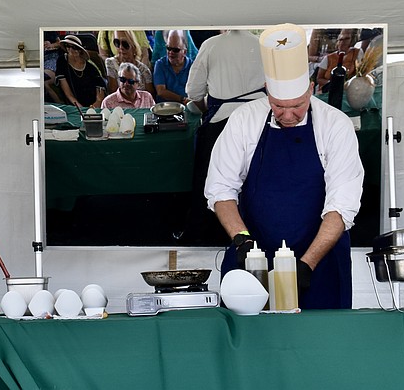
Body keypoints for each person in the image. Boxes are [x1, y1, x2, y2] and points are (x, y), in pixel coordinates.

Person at [205, 24, 364, 309]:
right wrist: (242, 241)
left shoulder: (335, 125)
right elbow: (220, 189)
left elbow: (342, 206)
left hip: (320, 258)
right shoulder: (244, 120)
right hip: (256, 255)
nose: (288, 115)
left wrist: (305, 265)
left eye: (298, 105)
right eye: (278, 106)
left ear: (312, 89)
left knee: (322, 342)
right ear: (267, 92)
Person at [179, 30, 266, 242]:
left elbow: (193, 92)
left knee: (207, 181)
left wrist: (208, 105)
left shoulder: (212, 45)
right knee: (257, 181)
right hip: (260, 121)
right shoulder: (262, 45)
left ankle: (201, 235)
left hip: (221, 122)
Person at [54, 35, 106, 109]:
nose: (71, 49)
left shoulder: (91, 67)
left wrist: (93, 107)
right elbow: (68, 93)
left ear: (80, 50)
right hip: (74, 105)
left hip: (92, 104)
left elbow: (100, 94)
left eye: (75, 47)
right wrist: (80, 108)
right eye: (68, 46)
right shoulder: (62, 61)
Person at [103, 30, 155, 96]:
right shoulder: (110, 63)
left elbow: (150, 96)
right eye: (117, 43)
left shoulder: (144, 69)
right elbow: (113, 91)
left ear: (133, 46)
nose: (121, 47)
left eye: (125, 44)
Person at [152, 30, 193, 104]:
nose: (171, 52)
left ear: (184, 52)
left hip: (187, 107)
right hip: (165, 108)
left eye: (175, 50)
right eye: (168, 48)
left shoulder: (192, 66)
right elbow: (161, 91)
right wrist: (182, 99)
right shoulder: (160, 64)